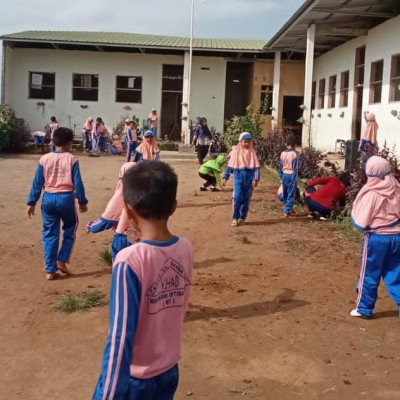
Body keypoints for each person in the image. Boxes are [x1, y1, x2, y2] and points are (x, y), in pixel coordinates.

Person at [92, 161, 193, 400]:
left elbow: (120, 335)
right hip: (168, 371)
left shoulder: (129, 260)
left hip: (134, 380)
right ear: (174, 207)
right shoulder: (185, 248)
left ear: (127, 211)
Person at [26, 127, 88, 280]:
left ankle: (50, 270)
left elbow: (37, 182)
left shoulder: (44, 159)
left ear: (53, 142)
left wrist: (31, 202)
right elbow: (78, 183)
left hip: (48, 199)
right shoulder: (72, 159)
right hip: (66, 198)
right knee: (70, 227)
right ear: (69, 143)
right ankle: (62, 259)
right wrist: (82, 201)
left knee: (49, 233)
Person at [350, 156, 400, 318]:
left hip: (377, 239)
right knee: (396, 274)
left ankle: (364, 308)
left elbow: (360, 223)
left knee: (369, 273)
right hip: (397, 237)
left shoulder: (372, 193)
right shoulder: (396, 188)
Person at [87, 162, 140, 261]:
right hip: (141, 238)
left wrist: (91, 227)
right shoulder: (146, 196)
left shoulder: (118, 198)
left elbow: (105, 221)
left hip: (122, 237)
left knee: (119, 268)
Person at [222, 132, 260, 227]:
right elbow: (230, 166)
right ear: (240, 141)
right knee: (237, 196)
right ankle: (235, 217)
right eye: (245, 142)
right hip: (238, 176)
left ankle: (242, 217)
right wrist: (225, 177)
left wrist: (256, 179)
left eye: (249, 142)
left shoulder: (252, 152)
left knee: (246, 198)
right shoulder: (235, 152)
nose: (247, 144)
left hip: (249, 177)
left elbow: (256, 167)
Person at [279, 136, 298, 217]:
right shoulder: (294, 154)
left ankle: (289, 209)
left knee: (285, 193)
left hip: (284, 175)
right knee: (291, 194)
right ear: (294, 145)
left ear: (286, 144)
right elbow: (295, 168)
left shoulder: (282, 153)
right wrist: (294, 180)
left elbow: (280, 166)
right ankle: (286, 211)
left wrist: (281, 175)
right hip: (291, 175)